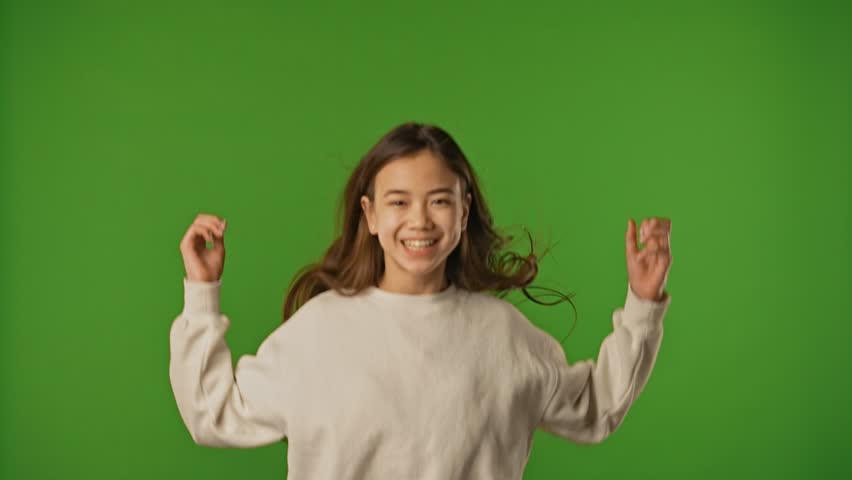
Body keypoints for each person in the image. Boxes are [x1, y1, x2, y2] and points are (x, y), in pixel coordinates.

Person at [169, 121, 673, 479]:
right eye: (398, 201)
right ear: (370, 215)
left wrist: (643, 303)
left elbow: (595, 408)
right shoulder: (317, 331)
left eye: (439, 201)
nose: (420, 221)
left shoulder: (503, 334)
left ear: (463, 212)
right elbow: (214, 414)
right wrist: (201, 292)